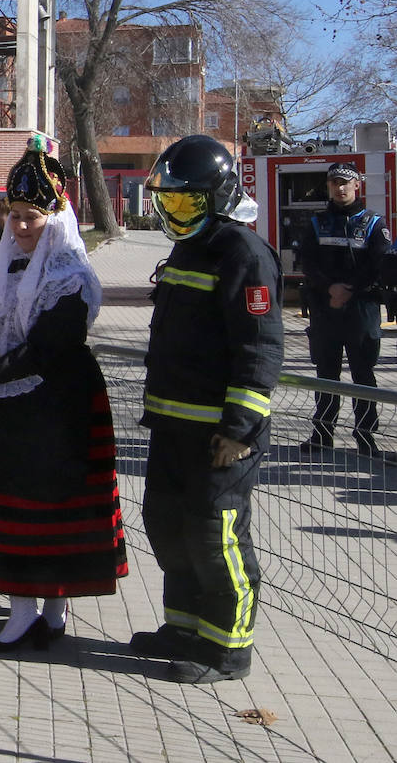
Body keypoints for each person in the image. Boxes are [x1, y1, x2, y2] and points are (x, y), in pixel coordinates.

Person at [0, 141, 126, 651]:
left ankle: (53, 609)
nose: (23, 227)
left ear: (55, 218)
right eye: (16, 217)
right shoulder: (0, 266)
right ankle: (24, 608)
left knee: (55, 501)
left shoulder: (69, 277)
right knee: (13, 499)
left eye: (33, 218)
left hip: (57, 403)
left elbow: (46, 348)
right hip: (9, 401)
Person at [134, 134, 282, 684]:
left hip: (221, 436)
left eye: (186, 202)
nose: (174, 212)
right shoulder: (187, 248)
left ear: (218, 196)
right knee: (168, 527)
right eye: (166, 201)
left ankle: (226, 649)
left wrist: (240, 429)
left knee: (215, 537)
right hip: (172, 426)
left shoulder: (243, 254)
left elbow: (261, 349)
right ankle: (184, 629)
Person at [299, 161, 389, 456]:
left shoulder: (375, 223)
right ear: (328, 186)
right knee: (326, 373)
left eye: (345, 182)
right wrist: (330, 289)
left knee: (364, 374)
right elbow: (307, 262)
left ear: (356, 185)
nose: (339, 188)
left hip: (361, 307)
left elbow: (378, 265)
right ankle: (322, 434)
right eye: (334, 183)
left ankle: (365, 436)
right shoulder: (317, 223)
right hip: (326, 308)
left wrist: (348, 290)